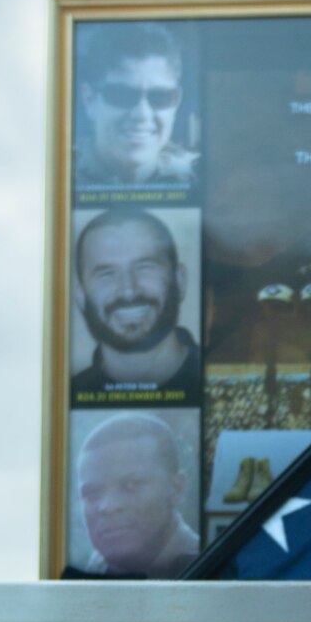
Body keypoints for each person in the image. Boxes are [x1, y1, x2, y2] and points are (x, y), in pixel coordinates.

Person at [72, 207, 201, 399]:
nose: (129, 290)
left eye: (145, 267)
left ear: (180, 281)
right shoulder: (69, 395)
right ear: (81, 297)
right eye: (107, 274)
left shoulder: (220, 376)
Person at [76, 412, 200, 576]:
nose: (108, 506)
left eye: (131, 485)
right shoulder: (93, 568)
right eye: (92, 493)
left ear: (176, 488)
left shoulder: (216, 569)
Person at [75, 23, 197, 188]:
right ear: (89, 99)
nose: (142, 114)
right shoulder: (58, 177)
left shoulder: (201, 179)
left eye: (160, 97)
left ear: (176, 102)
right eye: (122, 95)